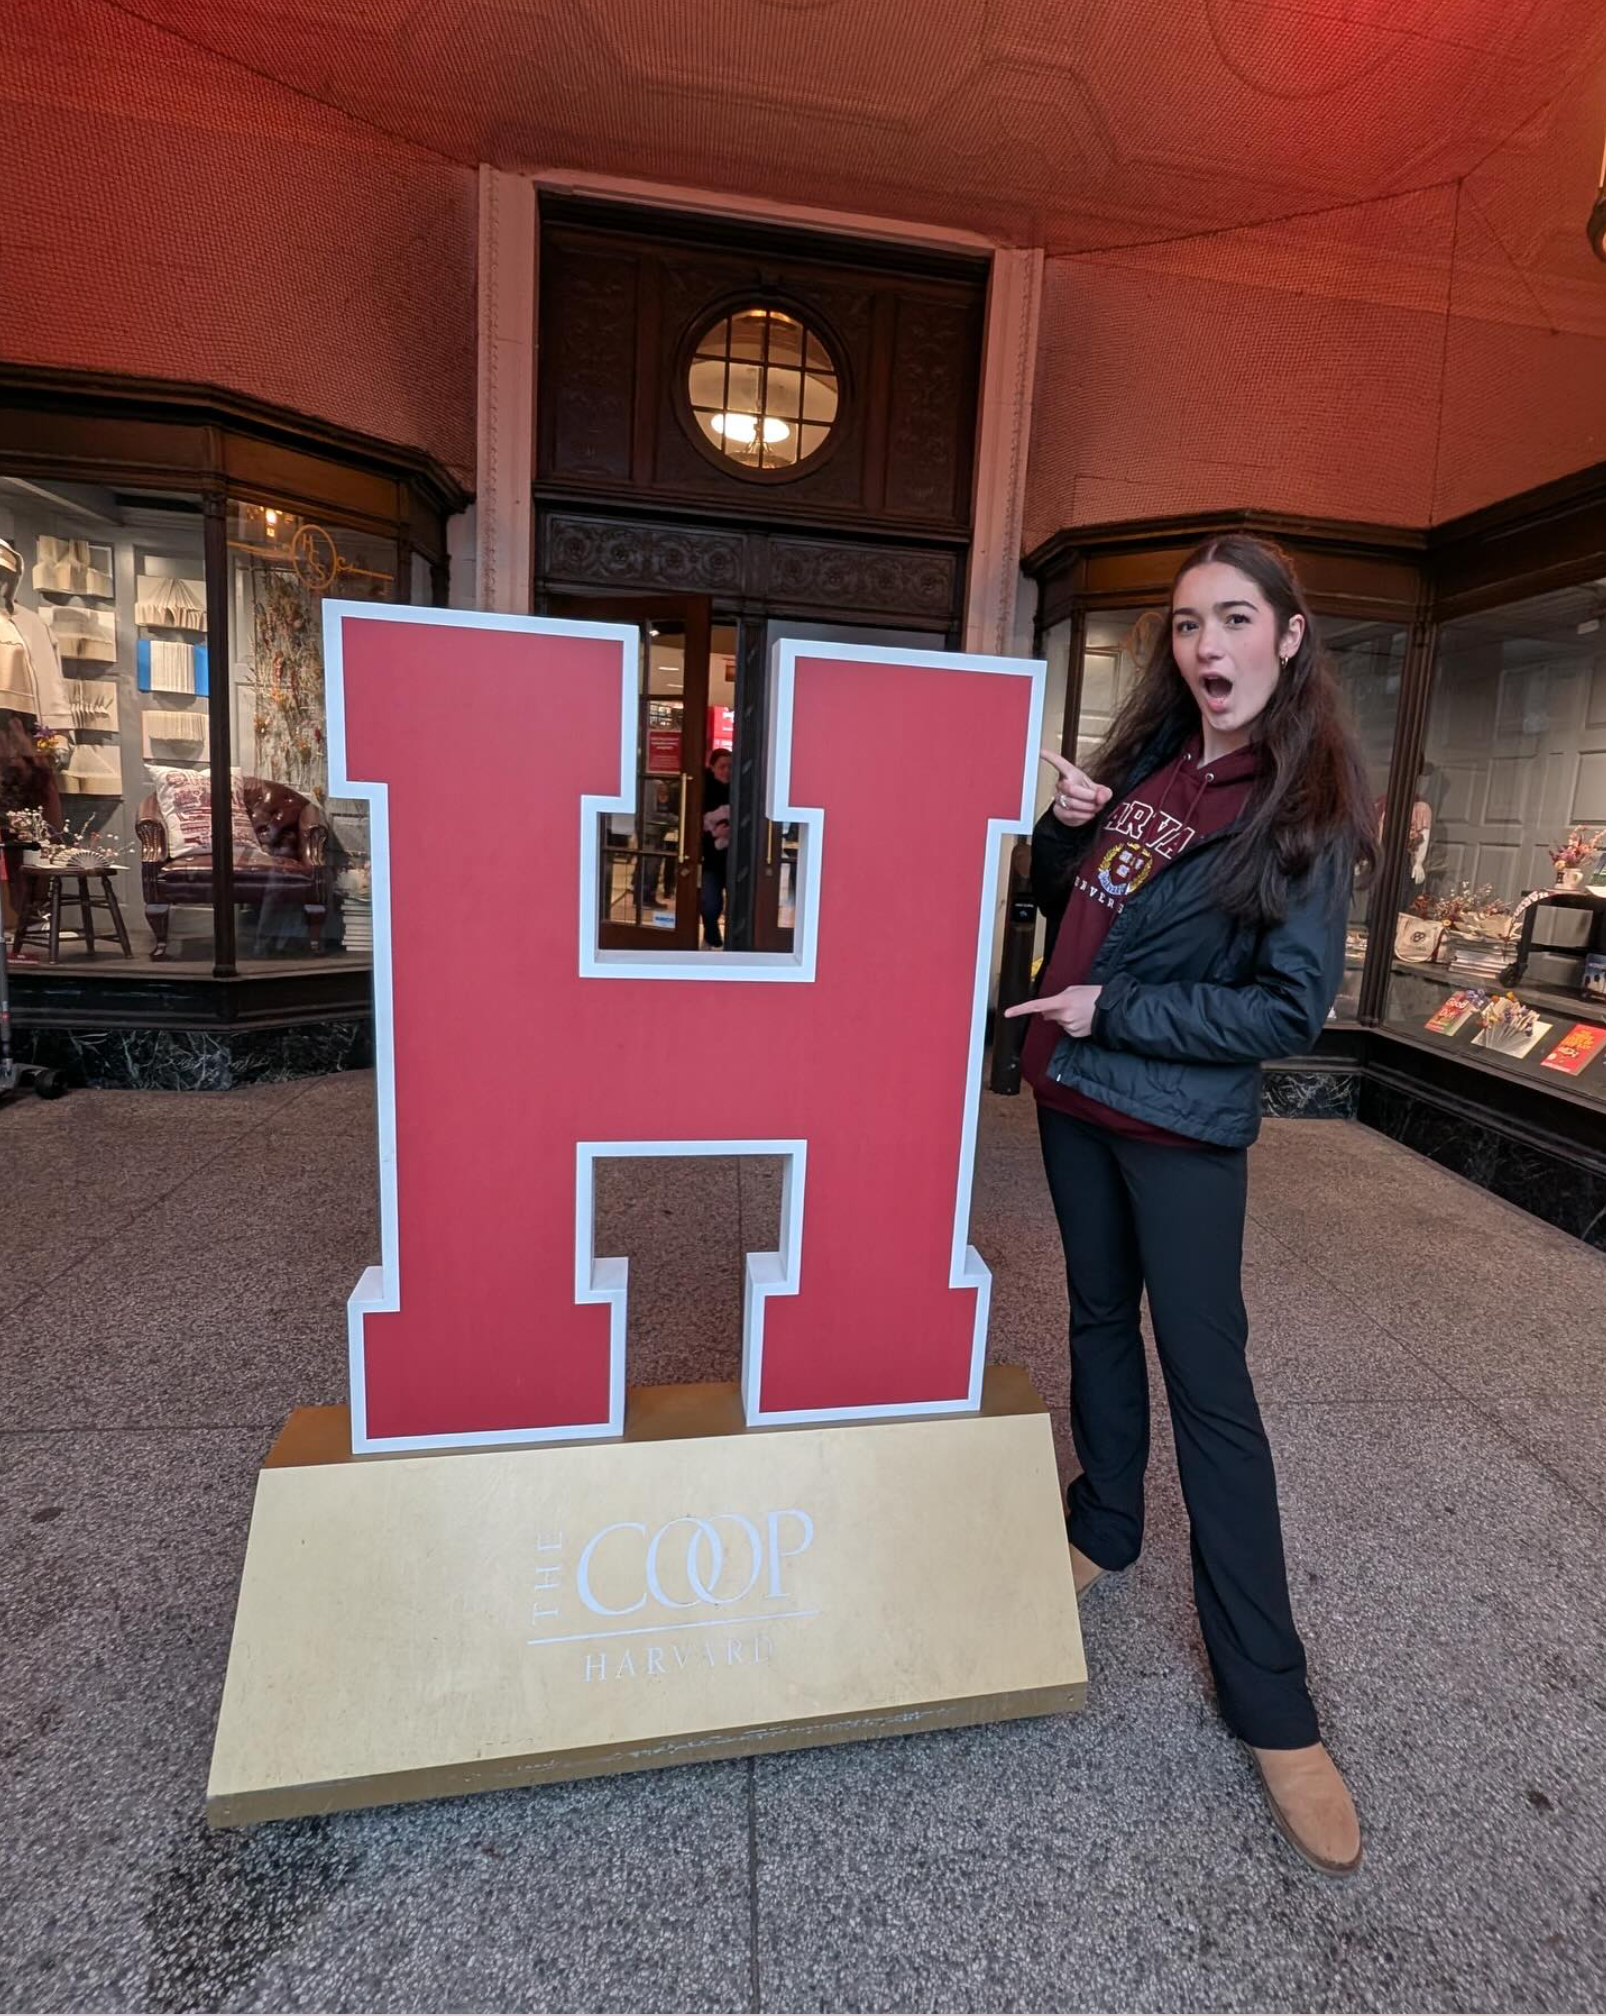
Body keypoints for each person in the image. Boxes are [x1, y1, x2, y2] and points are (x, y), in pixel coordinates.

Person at [1004, 534, 1375, 1878]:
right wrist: (1067, 833)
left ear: (1285, 636)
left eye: (1230, 620)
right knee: (1096, 1317)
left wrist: (1117, 1012)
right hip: (1069, 1100)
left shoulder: (1304, 803)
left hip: (1173, 1124)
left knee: (1207, 1386)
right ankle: (1103, 1524)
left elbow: (1284, 1008)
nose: (1203, 647)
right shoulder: (1158, 775)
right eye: (1182, 625)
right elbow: (1072, 912)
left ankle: (1271, 1705)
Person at [700, 747, 732, 948]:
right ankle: (711, 931)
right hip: (710, 858)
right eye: (722, 766)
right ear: (712, 767)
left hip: (735, 858)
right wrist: (713, 833)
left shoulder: (742, 789)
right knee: (710, 902)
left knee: (737, 904)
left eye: (730, 767)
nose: (727, 771)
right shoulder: (701, 790)